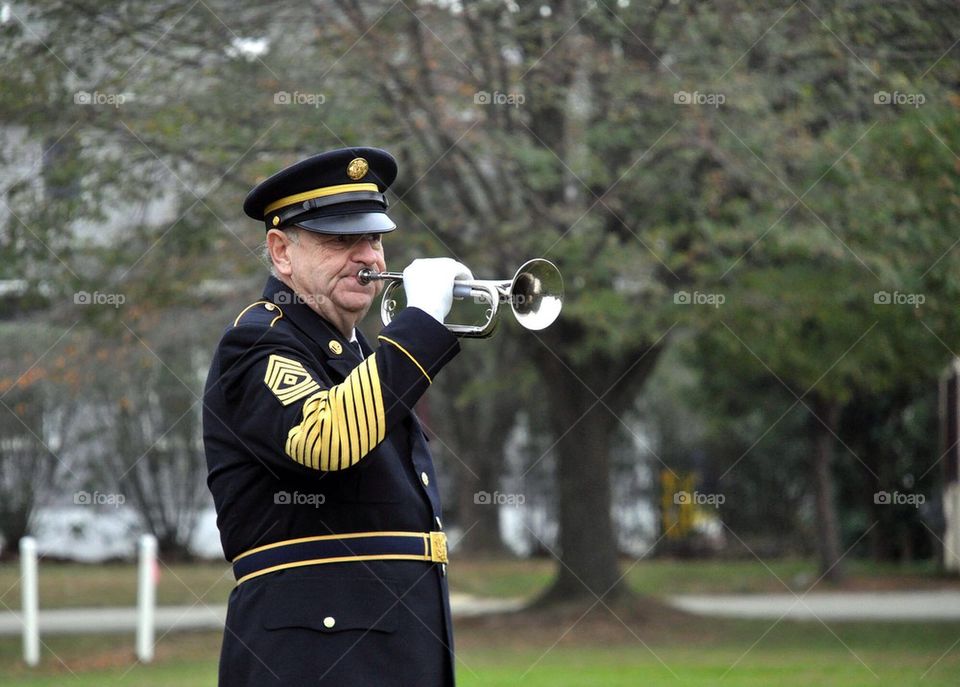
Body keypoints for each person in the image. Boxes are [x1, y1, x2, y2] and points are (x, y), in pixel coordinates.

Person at [202, 146, 472, 686]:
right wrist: (419, 322)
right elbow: (325, 439)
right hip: (316, 659)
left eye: (373, 238)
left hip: (385, 651)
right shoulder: (259, 342)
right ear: (281, 252)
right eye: (339, 241)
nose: (368, 257)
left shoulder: (354, 356)